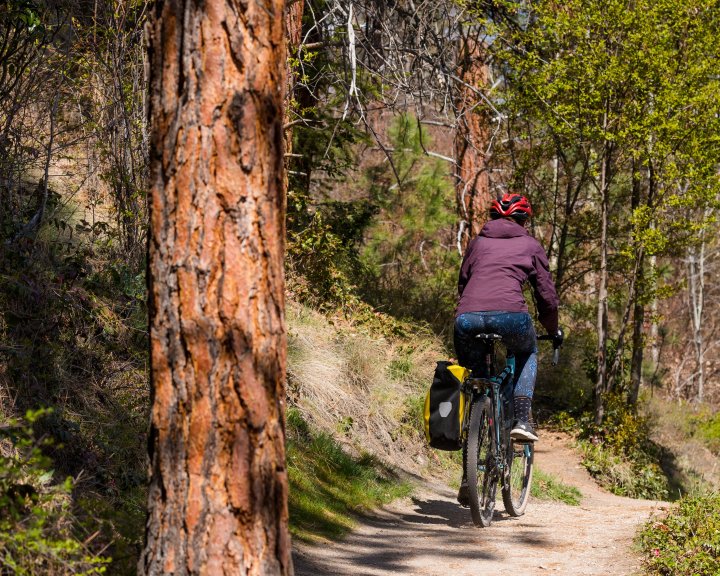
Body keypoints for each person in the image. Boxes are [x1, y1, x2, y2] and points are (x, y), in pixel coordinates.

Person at [454, 193, 562, 444]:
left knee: (479, 376)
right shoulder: (530, 245)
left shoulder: (477, 243)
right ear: (523, 220)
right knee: (527, 352)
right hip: (512, 317)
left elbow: (463, 284)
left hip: (466, 318)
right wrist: (553, 328)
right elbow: (546, 296)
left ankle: (477, 415)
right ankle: (522, 420)